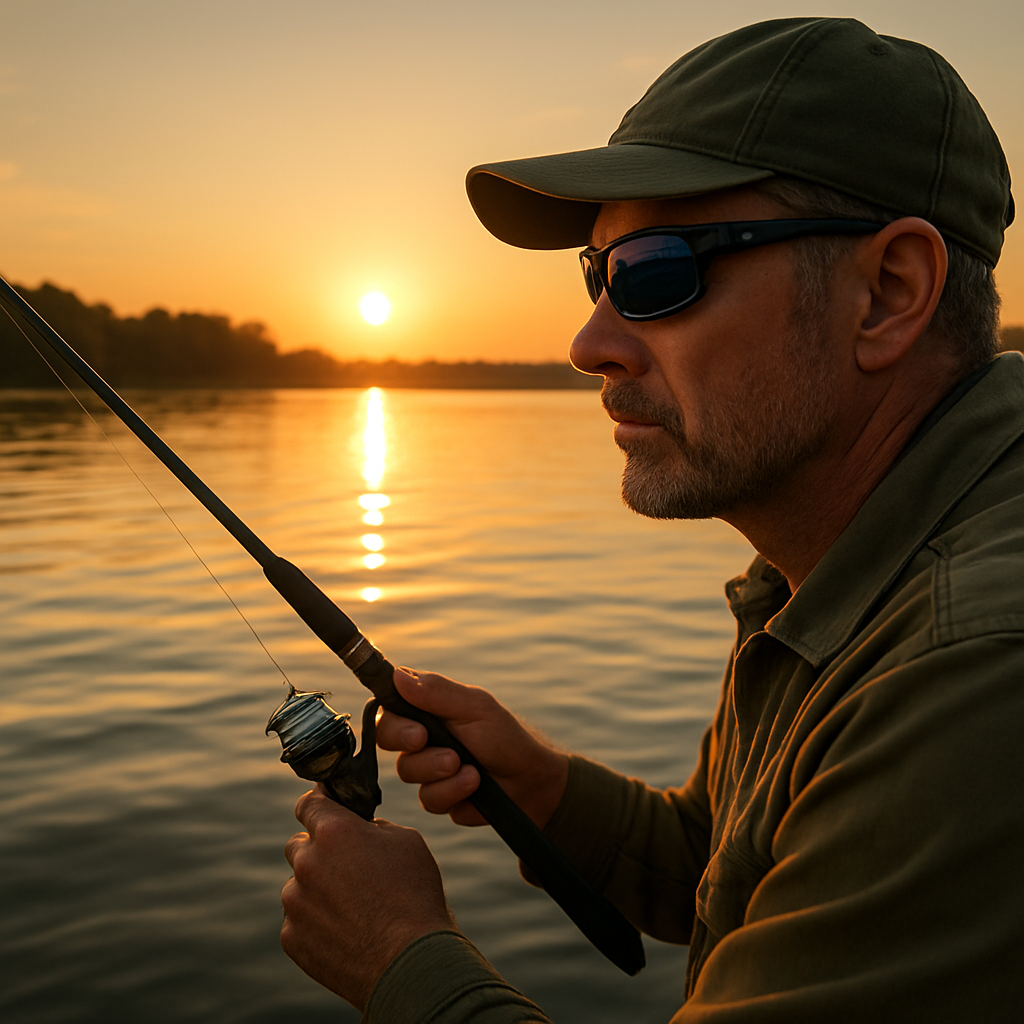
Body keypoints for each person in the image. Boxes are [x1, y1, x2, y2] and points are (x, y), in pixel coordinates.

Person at [279, 17, 1024, 1022]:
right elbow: (728, 863)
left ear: (888, 294)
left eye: (655, 272)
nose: (590, 343)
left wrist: (400, 958)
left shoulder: (973, 667)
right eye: (596, 275)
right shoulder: (824, 568)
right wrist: (544, 792)